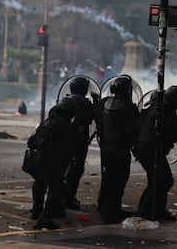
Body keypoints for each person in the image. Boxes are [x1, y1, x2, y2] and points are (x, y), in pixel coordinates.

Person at [133, 86, 177, 221]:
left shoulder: (156, 109)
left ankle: (152, 210)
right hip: (151, 149)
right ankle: (148, 211)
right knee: (163, 180)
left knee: (157, 180)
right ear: (175, 101)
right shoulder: (165, 114)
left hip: (144, 148)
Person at [94, 75, 139, 224]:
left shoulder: (104, 103)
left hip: (106, 147)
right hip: (120, 149)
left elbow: (98, 121)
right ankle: (111, 212)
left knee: (107, 177)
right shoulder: (126, 107)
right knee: (118, 180)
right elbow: (131, 131)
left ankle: (103, 205)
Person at [33, 97, 76, 230]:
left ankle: (37, 211)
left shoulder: (48, 121)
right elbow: (70, 145)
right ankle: (45, 218)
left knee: (40, 184)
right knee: (57, 189)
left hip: (40, 160)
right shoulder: (64, 124)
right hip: (54, 161)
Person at [64, 76, 96, 210]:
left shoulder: (65, 100)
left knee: (64, 169)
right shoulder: (85, 103)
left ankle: (63, 197)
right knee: (76, 170)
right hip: (79, 142)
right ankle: (68, 198)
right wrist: (96, 101)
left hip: (65, 140)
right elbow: (92, 118)